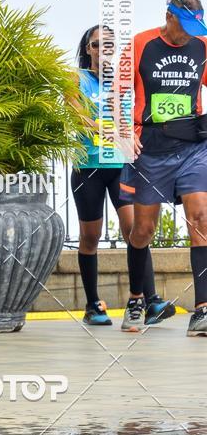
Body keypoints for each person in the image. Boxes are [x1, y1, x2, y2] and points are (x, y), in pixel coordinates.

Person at [118, 0, 207, 335]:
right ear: (168, 17)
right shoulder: (141, 44)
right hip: (152, 149)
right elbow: (115, 93)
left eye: (193, 27)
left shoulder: (202, 46)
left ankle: (202, 310)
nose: (187, 34)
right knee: (143, 231)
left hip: (193, 146)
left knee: (200, 219)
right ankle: (137, 299)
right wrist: (123, 130)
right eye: (183, 26)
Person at [72, 25, 172, 326]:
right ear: (89, 49)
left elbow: (138, 114)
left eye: (110, 45)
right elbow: (76, 113)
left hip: (122, 166)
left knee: (137, 230)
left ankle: (150, 300)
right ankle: (92, 305)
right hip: (88, 166)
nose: (104, 50)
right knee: (91, 236)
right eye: (98, 45)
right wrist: (106, 128)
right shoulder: (75, 79)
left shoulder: (125, 83)